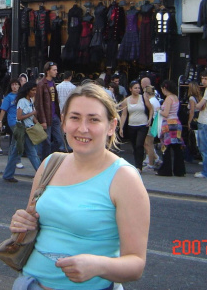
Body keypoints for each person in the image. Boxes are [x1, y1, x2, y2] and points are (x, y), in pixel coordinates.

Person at [9, 84, 149, 290]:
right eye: (75, 118)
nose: (83, 128)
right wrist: (22, 223)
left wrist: (99, 266)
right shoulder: (50, 164)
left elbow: (136, 264)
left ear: (111, 126)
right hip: (29, 284)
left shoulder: (124, 178)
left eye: (94, 119)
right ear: (64, 122)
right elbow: (33, 223)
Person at [2, 80, 41, 182]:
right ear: (27, 91)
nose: (35, 92)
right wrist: (33, 113)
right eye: (33, 90)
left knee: (16, 152)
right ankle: (42, 175)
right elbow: (19, 117)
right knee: (32, 153)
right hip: (22, 129)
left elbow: (31, 116)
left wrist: (38, 124)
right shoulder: (22, 101)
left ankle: (8, 174)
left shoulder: (30, 101)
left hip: (26, 128)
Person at [35, 61, 65, 160]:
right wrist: (42, 120)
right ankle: (45, 161)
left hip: (54, 116)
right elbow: (39, 103)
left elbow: (55, 101)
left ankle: (49, 157)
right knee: (46, 142)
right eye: (54, 70)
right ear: (48, 71)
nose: (56, 72)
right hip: (46, 117)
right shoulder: (41, 84)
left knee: (59, 140)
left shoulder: (53, 83)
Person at [120, 80, 152, 173]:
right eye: (135, 88)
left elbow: (151, 108)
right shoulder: (126, 100)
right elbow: (124, 114)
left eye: (138, 88)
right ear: (130, 89)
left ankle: (139, 166)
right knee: (134, 146)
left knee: (139, 144)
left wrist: (150, 119)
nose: (138, 90)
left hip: (143, 124)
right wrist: (121, 127)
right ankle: (137, 163)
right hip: (131, 125)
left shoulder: (143, 98)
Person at [156, 79, 185, 177]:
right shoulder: (175, 97)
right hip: (176, 123)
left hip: (168, 124)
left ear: (164, 88)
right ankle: (179, 170)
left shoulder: (168, 99)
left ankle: (166, 170)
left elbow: (166, 113)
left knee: (166, 147)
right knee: (177, 148)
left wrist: (159, 110)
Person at [185, 80, 202, 162]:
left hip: (194, 118)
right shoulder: (199, 97)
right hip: (199, 118)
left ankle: (189, 157)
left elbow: (192, 111)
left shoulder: (191, 98)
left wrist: (189, 121)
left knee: (191, 138)